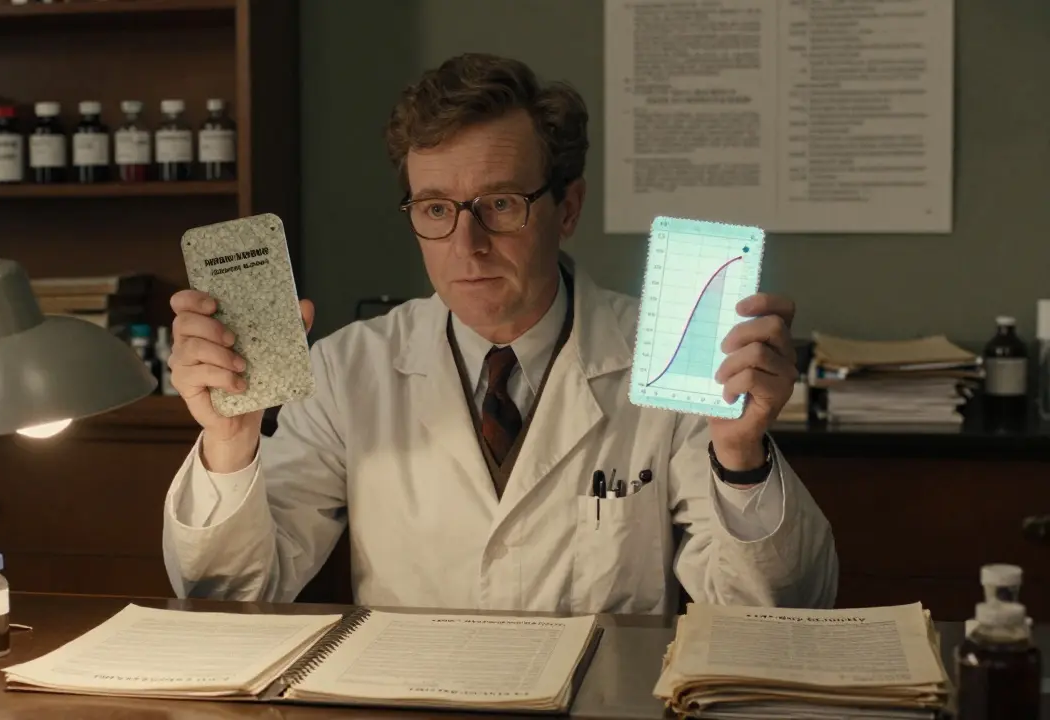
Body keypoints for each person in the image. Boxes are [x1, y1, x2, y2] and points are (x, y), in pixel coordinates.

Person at [162, 53, 837, 615]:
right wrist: (229, 444)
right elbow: (232, 597)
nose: (467, 244)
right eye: (435, 208)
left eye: (500, 205)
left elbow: (774, 612)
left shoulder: (668, 362)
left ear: (566, 208)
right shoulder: (350, 371)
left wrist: (741, 456)